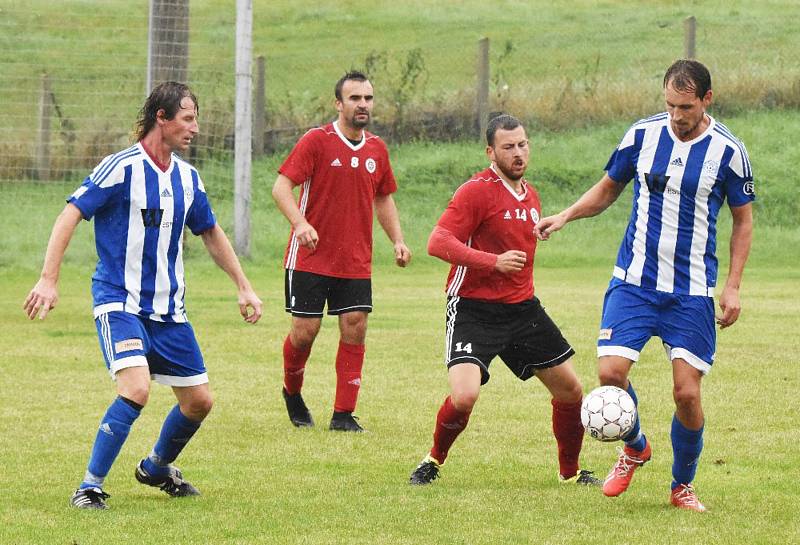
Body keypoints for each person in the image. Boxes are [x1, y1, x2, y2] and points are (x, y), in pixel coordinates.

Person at [23, 82, 263, 510]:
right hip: (119, 302)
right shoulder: (121, 168)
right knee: (135, 389)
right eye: (187, 119)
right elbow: (70, 214)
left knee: (199, 402)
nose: (195, 128)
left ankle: (155, 467)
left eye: (196, 119)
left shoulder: (188, 178)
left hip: (169, 311)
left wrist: (243, 285)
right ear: (162, 118)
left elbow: (209, 231)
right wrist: (48, 279)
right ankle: (89, 486)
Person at [535, 59, 754, 512]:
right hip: (633, 281)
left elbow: (743, 220)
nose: (677, 114)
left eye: (686, 106)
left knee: (686, 393)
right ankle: (634, 445)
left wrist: (732, 286)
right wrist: (566, 216)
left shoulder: (728, 151)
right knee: (610, 375)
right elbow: (608, 188)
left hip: (691, 289)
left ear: (707, 100)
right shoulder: (642, 135)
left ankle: (682, 487)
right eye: (670, 104)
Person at [408, 114, 600, 487]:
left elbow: (515, 244)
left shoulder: (530, 194)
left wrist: (537, 229)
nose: (518, 153)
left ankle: (570, 473)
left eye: (523, 144)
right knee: (464, 397)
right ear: (491, 152)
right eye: (508, 147)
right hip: (473, 309)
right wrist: (491, 262)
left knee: (571, 391)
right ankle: (433, 460)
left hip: (522, 309)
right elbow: (438, 242)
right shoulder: (475, 191)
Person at [272, 70, 411, 433]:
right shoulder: (317, 141)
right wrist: (300, 224)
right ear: (339, 103)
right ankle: (292, 390)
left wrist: (397, 239)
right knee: (305, 331)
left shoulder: (377, 149)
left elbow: (383, 196)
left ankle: (343, 414)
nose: (362, 105)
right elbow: (281, 187)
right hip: (311, 256)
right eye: (355, 98)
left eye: (367, 98)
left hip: (355, 259)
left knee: (355, 327)